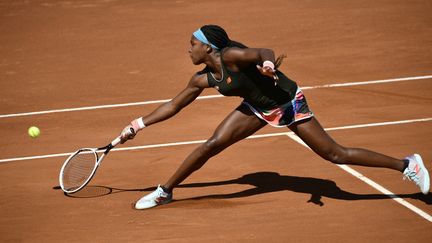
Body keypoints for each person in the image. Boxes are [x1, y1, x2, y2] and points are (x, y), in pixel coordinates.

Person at [119, 25, 430, 210]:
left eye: (192, 45)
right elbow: (174, 105)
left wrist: (267, 65)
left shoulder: (232, 57)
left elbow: (264, 50)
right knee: (212, 144)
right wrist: (139, 124)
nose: (188, 50)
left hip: (288, 103)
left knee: (335, 154)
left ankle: (407, 164)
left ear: (208, 47)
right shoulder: (203, 79)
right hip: (257, 108)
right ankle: (165, 192)